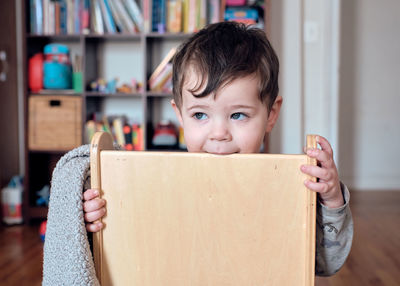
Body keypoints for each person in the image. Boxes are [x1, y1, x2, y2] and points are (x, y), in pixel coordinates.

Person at [82, 21, 353, 276]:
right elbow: (129, 254)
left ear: (270, 114)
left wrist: (331, 201)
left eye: (238, 115)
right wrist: (95, 222)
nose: (219, 134)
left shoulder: (285, 186)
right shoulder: (158, 183)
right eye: (200, 115)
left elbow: (324, 263)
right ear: (180, 115)